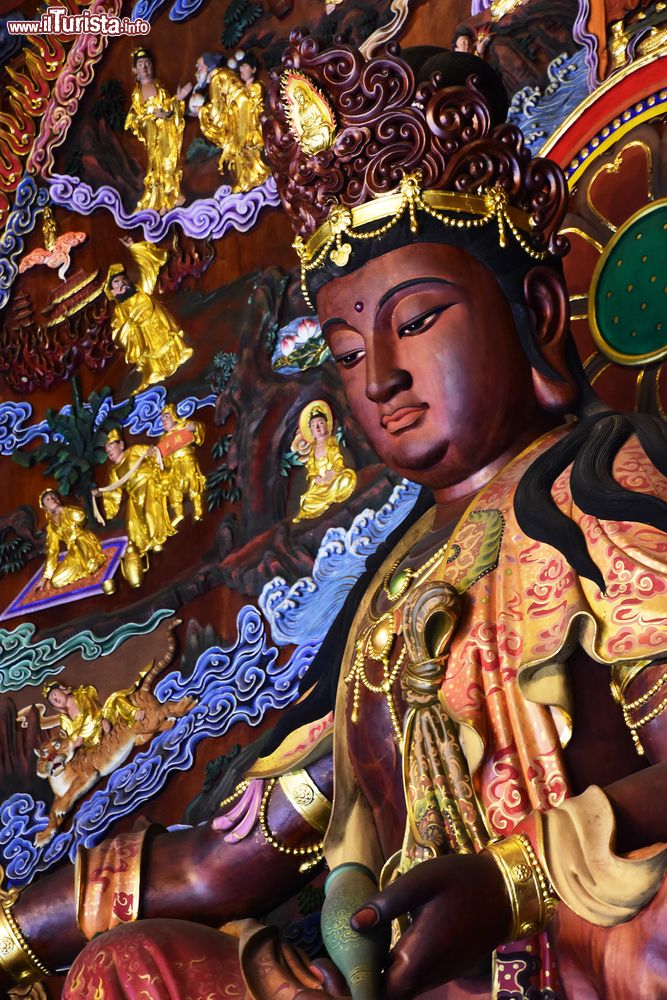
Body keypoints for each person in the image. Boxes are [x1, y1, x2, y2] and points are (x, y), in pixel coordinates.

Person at [2, 39, 666, 1000]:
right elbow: (224, 865)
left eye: (420, 319)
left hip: (573, 956)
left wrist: (508, 881)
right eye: (348, 352)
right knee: (132, 971)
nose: (382, 378)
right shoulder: (383, 605)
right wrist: (18, 935)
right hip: (398, 984)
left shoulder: (605, 485)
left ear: (534, 310)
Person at [104, 236, 193, 391]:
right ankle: (154, 374)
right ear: (112, 292)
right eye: (117, 283)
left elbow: (147, 267)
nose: (123, 284)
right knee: (153, 362)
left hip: (159, 327)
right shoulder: (120, 310)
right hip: (143, 336)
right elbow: (118, 334)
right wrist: (131, 325)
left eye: (123, 280)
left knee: (175, 348)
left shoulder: (141, 290)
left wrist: (133, 247)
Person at [125, 47, 189, 213]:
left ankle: (173, 196)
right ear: (136, 70)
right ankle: (160, 200)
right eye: (141, 65)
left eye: (147, 63)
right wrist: (154, 118)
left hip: (167, 129)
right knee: (158, 166)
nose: (145, 68)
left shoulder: (159, 85)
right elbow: (139, 118)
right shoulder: (138, 93)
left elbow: (168, 106)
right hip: (153, 133)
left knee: (171, 161)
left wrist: (175, 103)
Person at [92, 428, 174, 559]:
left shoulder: (134, 450)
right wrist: (100, 493)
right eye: (107, 450)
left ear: (121, 445)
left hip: (147, 484)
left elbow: (153, 453)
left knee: (148, 512)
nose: (109, 451)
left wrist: (151, 453)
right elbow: (113, 489)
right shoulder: (114, 470)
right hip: (134, 495)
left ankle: (157, 540)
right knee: (131, 523)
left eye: (111, 446)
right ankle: (143, 547)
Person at [198, 52, 271, 192]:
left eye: (245, 67)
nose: (242, 70)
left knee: (247, 151)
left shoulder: (256, 87)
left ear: (254, 70)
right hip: (238, 130)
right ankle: (244, 180)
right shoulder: (238, 92)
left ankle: (256, 175)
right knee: (238, 153)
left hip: (250, 129)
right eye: (241, 67)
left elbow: (254, 107)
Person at [292, 399, 357, 522]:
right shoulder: (312, 451)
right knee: (306, 502)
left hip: (336, 478)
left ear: (327, 425)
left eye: (320, 423)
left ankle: (334, 494)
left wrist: (333, 472)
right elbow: (311, 472)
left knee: (348, 477)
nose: (317, 427)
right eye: (313, 425)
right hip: (321, 487)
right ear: (310, 430)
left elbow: (339, 459)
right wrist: (316, 479)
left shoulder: (332, 441)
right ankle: (326, 499)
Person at [34, 490, 106, 592]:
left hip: (84, 540)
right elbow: (52, 550)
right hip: (73, 551)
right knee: (56, 581)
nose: (52, 500)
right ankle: (85, 567)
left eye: (53, 496)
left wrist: (62, 509)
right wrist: (45, 577)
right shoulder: (51, 527)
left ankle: (93, 560)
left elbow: (81, 517)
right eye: (48, 499)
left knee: (79, 540)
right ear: (45, 507)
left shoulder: (67, 510)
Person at [158, 403, 206, 526]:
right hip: (173, 465)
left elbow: (199, 428)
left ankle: (198, 508)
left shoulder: (184, 426)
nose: (163, 420)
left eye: (166, 416)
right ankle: (179, 514)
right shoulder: (163, 438)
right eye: (162, 418)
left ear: (174, 416)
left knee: (193, 481)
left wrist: (194, 428)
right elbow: (162, 456)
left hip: (186, 458)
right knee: (173, 489)